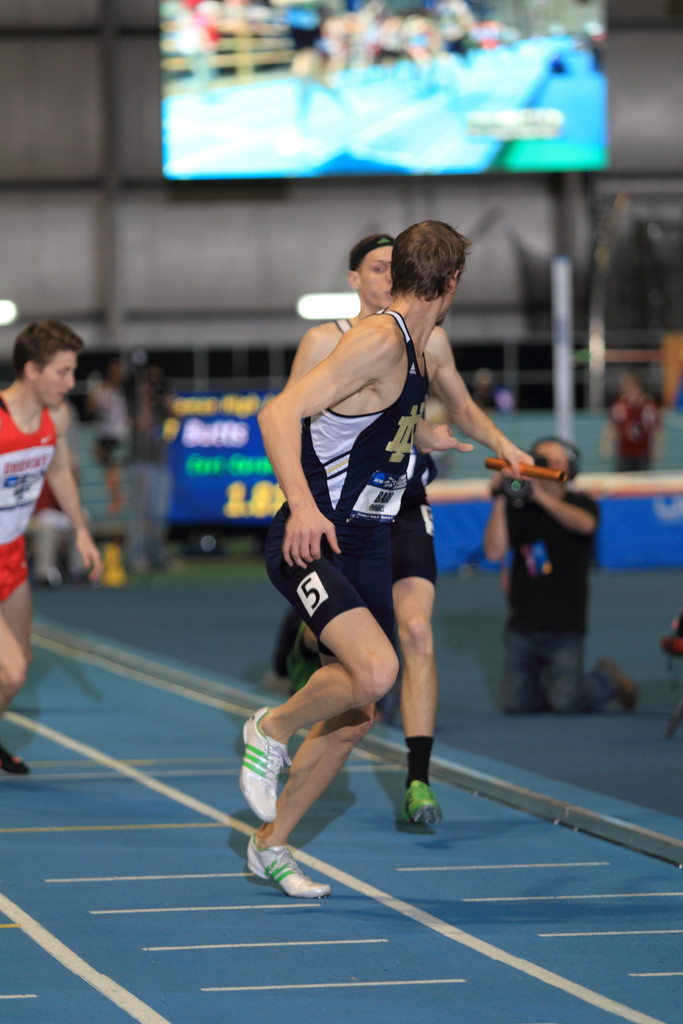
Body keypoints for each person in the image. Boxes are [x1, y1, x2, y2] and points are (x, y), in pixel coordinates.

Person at [238, 220, 526, 899]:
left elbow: (396, 418)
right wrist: (304, 510)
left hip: (368, 536)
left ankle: (269, 846)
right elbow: (278, 416)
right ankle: (269, 726)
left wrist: (453, 441)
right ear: (451, 282)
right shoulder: (372, 339)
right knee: (377, 669)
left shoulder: (421, 343)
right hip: (314, 537)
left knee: (359, 714)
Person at [0, 320, 102, 773]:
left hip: (13, 558)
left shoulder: (54, 417)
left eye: (72, 371)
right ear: (31, 369)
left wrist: (81, 530)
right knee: (13, 672)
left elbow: (58, 471)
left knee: (19, 664)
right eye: (62, 372)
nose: (70, 382)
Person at [483, 437, 638, 715]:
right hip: (523, 624)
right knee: (515, 705)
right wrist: (500, 498)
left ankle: (605, 679)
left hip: (565, 624)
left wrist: (541, 496)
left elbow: (586, 525)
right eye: (540, 461)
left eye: (554, 462)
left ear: (570, 468)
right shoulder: (519, 508)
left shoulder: (582, 503)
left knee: (566, 704)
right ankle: (550, 683)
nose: (546, 466)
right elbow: (494, 552)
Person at [124, 362, 174, 573]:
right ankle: (136, 558)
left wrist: (163, 398)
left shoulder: (163, 404)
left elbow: (178, 417)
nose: (154, 384)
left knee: (158, 514)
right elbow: (143, 426)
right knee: (140, 515)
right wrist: (145, 398)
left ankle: (157, 556)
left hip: (159, 464)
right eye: (150, 380)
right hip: (140, 464)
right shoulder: (135, 402)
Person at [86, 357, 129, 516]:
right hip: (105, 432)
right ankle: (117, 495)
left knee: (111, 467)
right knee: (108, 464)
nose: (119, 375)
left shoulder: (125, 391)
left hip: (117, 434)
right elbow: (90, 410)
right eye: (116, 371)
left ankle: (118, 496)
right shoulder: (100, 389)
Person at [600, 370, 663, 472]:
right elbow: (612, 426)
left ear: (637, 386)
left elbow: (657, 429)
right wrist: (606, 444)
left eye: (628, 385)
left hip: (642, 453)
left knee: (642, 484)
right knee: (623, 482)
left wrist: (657, 449)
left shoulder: (649, 405)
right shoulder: (620, 405)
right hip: (625, 453)